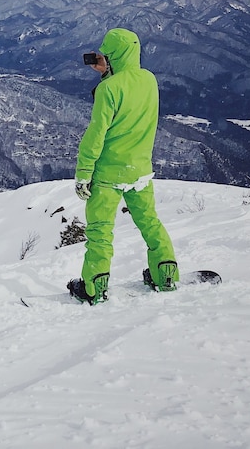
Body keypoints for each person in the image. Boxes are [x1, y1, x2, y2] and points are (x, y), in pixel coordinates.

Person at [67, 28, 178, 305]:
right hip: (140, 170)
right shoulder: (149, 80)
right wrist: (109, 71)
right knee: (150, 223)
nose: (100, 60)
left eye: (105, 56)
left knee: (100, 232)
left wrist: (83, 174)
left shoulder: (108, 88)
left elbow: (96, 135)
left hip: (108, 174)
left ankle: (94, 286)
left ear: (114, 56)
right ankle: (165, 272)